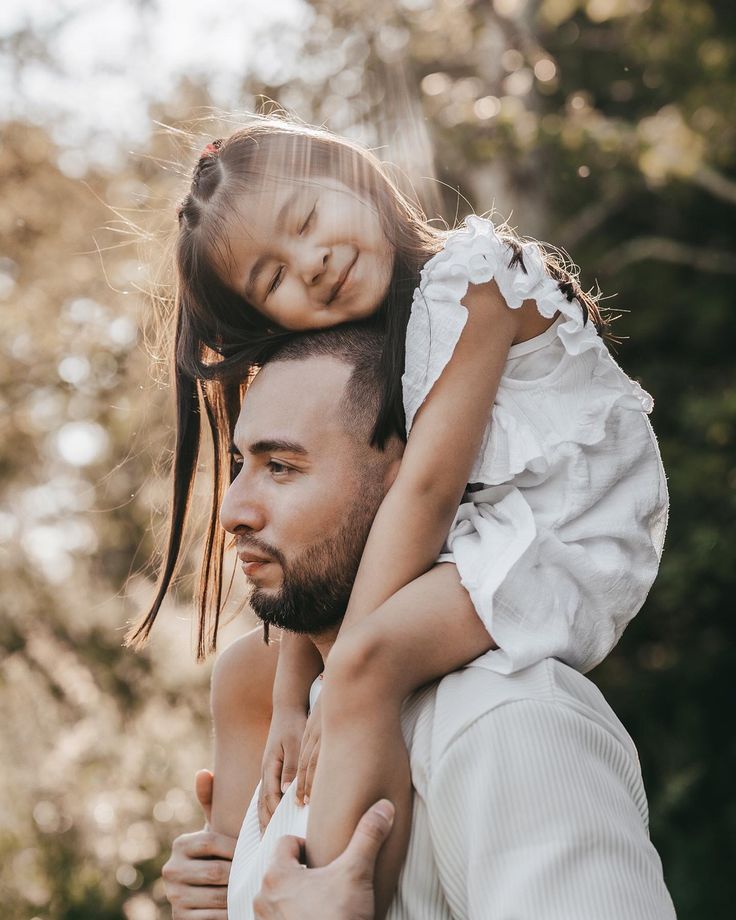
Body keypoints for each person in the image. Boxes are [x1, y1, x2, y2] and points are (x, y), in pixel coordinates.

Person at [128, 117, 669, 915]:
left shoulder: (474, 279)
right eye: (272, 278)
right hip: (495, 523)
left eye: (307, 222)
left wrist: (342, 663)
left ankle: (342, 888)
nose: (311, 266)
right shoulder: (393, 325)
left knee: (367, 666)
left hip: (568, 522)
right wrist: (283, 713)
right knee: (285, 667)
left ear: (351, 170)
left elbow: (426, 493)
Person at [163, 326, 675, 918]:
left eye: (280, 466)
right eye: (239, 464)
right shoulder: (300, 717)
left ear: (409, 481)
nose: (232, 510)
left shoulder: (504, 722)